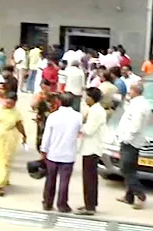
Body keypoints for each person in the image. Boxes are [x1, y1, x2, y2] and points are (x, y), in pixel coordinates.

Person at [40, 93, 82, 212]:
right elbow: (80, 131)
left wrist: (44, 150)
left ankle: (47, 203)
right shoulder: (77, 117)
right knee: (64, 181)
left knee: (50, 180)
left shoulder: (53, 116)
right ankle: (62, 204)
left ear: (59, 102)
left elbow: (47, 135)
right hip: (68, 154)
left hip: (53, 153)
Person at [115, 83, 151, 209]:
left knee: (126, 168)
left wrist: (127, 138)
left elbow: (136, 125)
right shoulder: (136, 103)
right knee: (130, 168)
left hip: (131, 141)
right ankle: (128, 196)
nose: (129, 93)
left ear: (135, 91)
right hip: (130, 140)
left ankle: (140, 194)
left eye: (130, 90)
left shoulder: (139, 106)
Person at [0, 91, 27, 196]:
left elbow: (19, 125)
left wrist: (24, 135)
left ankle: (5, 179)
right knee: (1, 159)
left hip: (10, 138)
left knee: (8, 158)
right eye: (7, 102)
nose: (8, 105)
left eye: (11, 104)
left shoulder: (16, 113)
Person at [76, 88, 107, 216]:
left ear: (92, 98)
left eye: (86, 97)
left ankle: (90, 207)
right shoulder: (95, 109)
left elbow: (89, 130)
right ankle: (90, 203)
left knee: (89, 178)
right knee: (90, 177)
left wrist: (80, 126)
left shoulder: (95, 111)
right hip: (91, 147)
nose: (84, 99)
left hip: (92, 148)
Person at [31, 79, 61, 152]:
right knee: (41, 135)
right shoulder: (38, 95)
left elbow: (59, 106)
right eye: (42, 88)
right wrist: (39, 99)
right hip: (42, 119)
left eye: (45, 87)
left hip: (53, 118)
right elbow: (33, 106)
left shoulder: (54, 96)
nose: (44, 89)